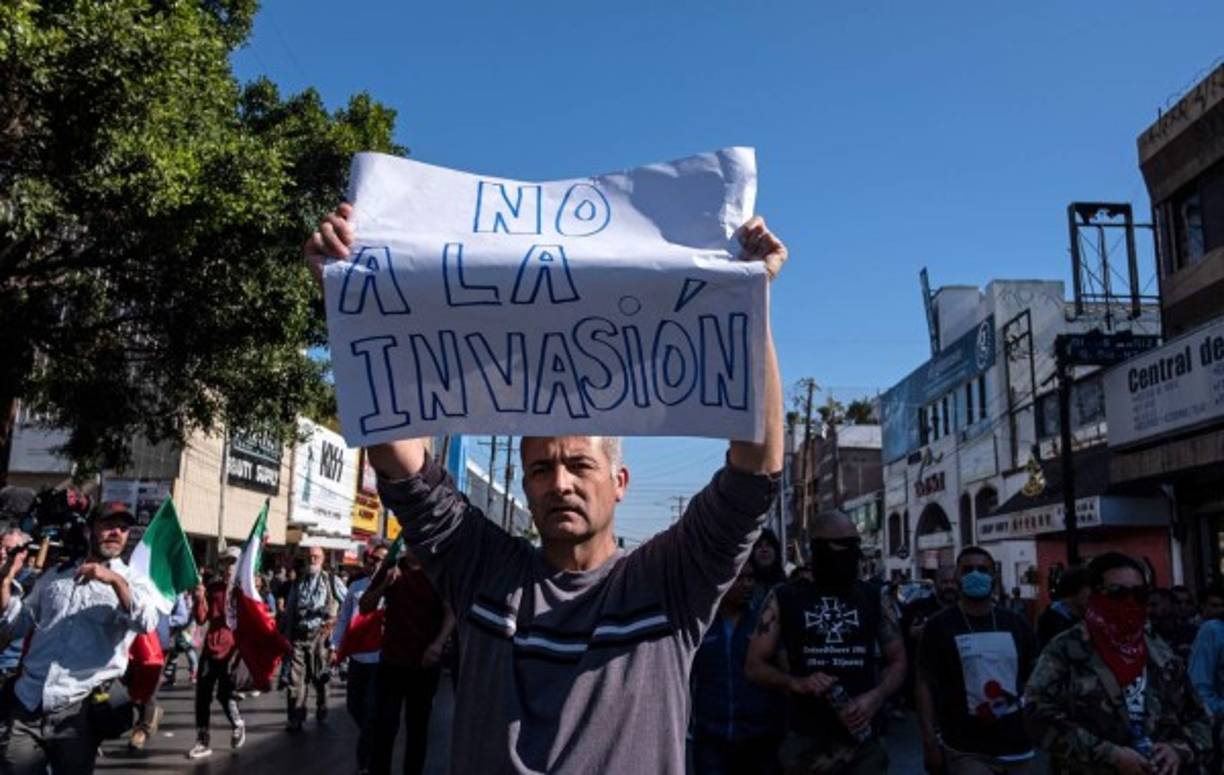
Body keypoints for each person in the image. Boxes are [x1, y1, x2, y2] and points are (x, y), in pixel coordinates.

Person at [304, 202, 787, 773]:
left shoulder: (670, 582)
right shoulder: (483, 569)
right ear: (526, 485)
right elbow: (399, 460)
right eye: (540, 469)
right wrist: (348, 295)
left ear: (619, 481)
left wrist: (749, 298)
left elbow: (755, 469)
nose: (559, 483)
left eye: (579, 466)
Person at [0, 502, 159, 773]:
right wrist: (4, 582)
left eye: (122, 528)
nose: (116, 533)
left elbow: (146, 622)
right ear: (89, 530)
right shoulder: (54, 576)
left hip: (78, 712)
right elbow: (15, 625)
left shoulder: (134, 580)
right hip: (28, 701)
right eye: (108, 525)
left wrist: (115, 581)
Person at [744, 510, 906, 774]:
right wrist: (797, 683)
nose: (849, 553)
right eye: (840, 545)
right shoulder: (784, 598)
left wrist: (875, 697)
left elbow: (898, 660)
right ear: (817, 549)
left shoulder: (874, 597)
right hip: (806, 741)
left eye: (854, 544)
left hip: (863, 741)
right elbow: (754, 665)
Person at [1024, 551, 1212, 774]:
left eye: (1139, 594)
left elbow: (1200, 718)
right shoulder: (1066, 649)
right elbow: (1035, 717)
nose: (1129, 602)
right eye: (1117, 593)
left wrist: (1178, 749)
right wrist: (1108, 754)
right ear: (1093, 595)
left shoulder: (1160, 652)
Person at [916, 546, 1039, 774]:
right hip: (965, 748)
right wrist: (929, 740)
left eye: (983, 569)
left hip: (1017, 747)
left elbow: (1035, 678)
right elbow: (925, 683)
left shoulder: (1016, 623)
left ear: (993, 576)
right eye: (968, 570)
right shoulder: (938, 625)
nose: (976, 575)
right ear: (957, 578)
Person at [360, 546, 453, 775]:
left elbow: (452, 612)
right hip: (392, 662)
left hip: (423, 665)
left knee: (417, 730)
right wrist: (383, 586)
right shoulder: (391, 568)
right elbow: (364, 607)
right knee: (385, 728)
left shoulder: (438, 571)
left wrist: (438, 644)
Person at [691, 563, 785, 774]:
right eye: (739, 578)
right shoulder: (701, 626)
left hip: (760, 740)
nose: (747, 584)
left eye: (750, 578)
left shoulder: (765, 625)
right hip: (711, 740)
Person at [332, 540, 389, 775]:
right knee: (354, 706)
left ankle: (365, 761)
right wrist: (335, 645)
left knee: (371, 710)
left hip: (381, 660)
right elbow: (344, 617)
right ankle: (374, 737)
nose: (373, 564)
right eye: (371, 559)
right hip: (357, 658)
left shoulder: (393, 588)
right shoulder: (356, 587)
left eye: (379, 560)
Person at [187, 546, 245, 759]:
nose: (229, 567)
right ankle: (202, 740)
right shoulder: (214, 588)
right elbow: (202, 619)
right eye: (226, 562)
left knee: (225, 695)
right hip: (211, 650)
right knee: (202, 696)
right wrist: (199, 597)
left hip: (232, 651)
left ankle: (238, 724)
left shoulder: (245, 591)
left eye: (233, 562)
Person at [282, 544, 345, 731]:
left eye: (316, 557)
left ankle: (322, 706)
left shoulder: (332, 580)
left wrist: (335, 621)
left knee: (320, 678)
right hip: (299, 636)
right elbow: (289, 610)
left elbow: (349, 604)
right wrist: (285, 635)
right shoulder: (298, 582)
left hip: (321, 637)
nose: (312, 560)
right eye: (310, 556)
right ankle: (296, 717)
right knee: (296, 680)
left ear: (323, 559)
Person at [0, 528, 36, 686]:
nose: (2, 554)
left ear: (23, 554)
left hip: (7, 668)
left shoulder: (32, 584)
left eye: (9, 550)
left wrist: (6, 580)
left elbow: (11, 627)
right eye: (0, 548)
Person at [1036, 565, 1089, 649]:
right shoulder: (1049, 621)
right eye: (1087, 589)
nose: (1091, 594)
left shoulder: (1089, 617)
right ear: (1074, 591)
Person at [164, 589, 198, 685]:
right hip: (177, 626)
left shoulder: (191, 596)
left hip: (187, 627)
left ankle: (193, 673)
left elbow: (192, 612)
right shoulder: (178, 594)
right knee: (174, 651)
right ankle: (170, 677)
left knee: (188, 649)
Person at [749, 528, 787, 608]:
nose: (764, 550)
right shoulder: (745, 584)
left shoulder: (785, 585)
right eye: (759, 546)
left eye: (768, 545)